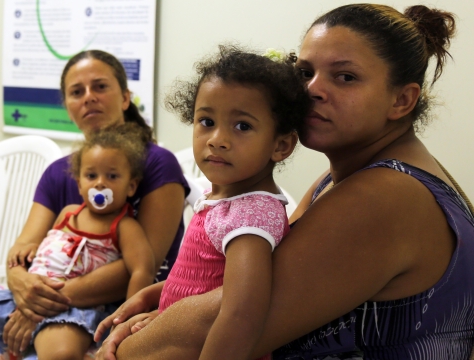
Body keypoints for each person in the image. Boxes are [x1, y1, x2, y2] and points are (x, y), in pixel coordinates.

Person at [96, 4, 474, 360]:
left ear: (402, 101)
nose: (312, 90)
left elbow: (222, 323)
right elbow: (259, 274)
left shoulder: (388, 195)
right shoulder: (347, 177)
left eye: (345, 77)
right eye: (306, 71)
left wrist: (113, 352)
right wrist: (165, 296)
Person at [94, 45, 310, 360]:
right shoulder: (224, 199)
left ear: (281, 145)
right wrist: (151, 296)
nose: (216, 139)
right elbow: (205, 277)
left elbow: (241, 314)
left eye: (242, 126)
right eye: (206, 121)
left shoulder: (251, 217)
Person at [0, 49, 189, 357]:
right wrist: (18, 280)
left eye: (100, 86)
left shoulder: (157, 163)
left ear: (125, 98)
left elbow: (141, 268)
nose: (88, 97)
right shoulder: (56, 174)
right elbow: (22, 250)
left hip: (131, 307)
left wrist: (39, 304)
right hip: (47, 298)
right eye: (77, 92)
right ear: (68, 108)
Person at [0, 123, 156, 359]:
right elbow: (50, 247)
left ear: (131, 186)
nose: (100, 183)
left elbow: (142, 270)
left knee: (61, 353)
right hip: (25, 297)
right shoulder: (68, 213)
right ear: (80, 184)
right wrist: (31, 249)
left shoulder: (125, 227)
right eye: (91, 175)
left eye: (112, 176)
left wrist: (125, 320)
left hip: (76, 310)